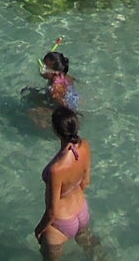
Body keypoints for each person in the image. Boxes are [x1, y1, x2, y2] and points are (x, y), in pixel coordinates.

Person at [35, 106, 94, 257]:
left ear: (55, 130)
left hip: (61, 221)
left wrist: (39, 229)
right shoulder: (85, 146)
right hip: (81, 211)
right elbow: (85, 182)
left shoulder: (56, 169)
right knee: (94, 252)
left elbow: (52, 211)